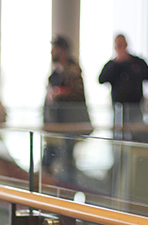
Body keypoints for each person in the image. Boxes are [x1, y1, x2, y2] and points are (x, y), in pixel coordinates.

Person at [43, 35, 91, 183]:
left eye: (55, 49)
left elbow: (77, 94)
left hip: (71, 125)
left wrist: (58, 93)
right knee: (50, 160)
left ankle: (68, 192)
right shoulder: (54, 75)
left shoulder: (73, 71)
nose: (52, 53)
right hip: (56, 125)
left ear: (62, 50)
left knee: (67, 162)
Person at [98, 34, 148, 136]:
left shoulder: (138, 63)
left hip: (136, 107)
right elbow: (101, 79)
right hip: (118, 109)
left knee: (136, 135)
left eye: (122, 45)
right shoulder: (112, 64)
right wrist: (117, 63)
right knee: (118, 136)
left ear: (127, 45)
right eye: (118, 45)